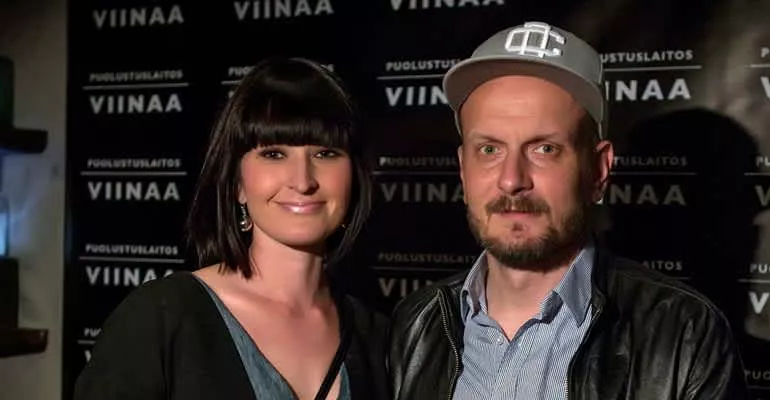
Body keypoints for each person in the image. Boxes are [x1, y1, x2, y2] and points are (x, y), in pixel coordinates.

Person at [387, 21, 750, 399]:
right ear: (463, 170)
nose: (512, 180)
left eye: (544, 149)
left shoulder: (684, 333)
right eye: (490, 149)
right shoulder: (415, 325)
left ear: (599, 170)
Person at [74, 57, 389, 400]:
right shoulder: (161, 318)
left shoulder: (376, 336)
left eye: (325, 153)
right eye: (274, 154)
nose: (302, 181)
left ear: (354, 177)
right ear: (238, 183)